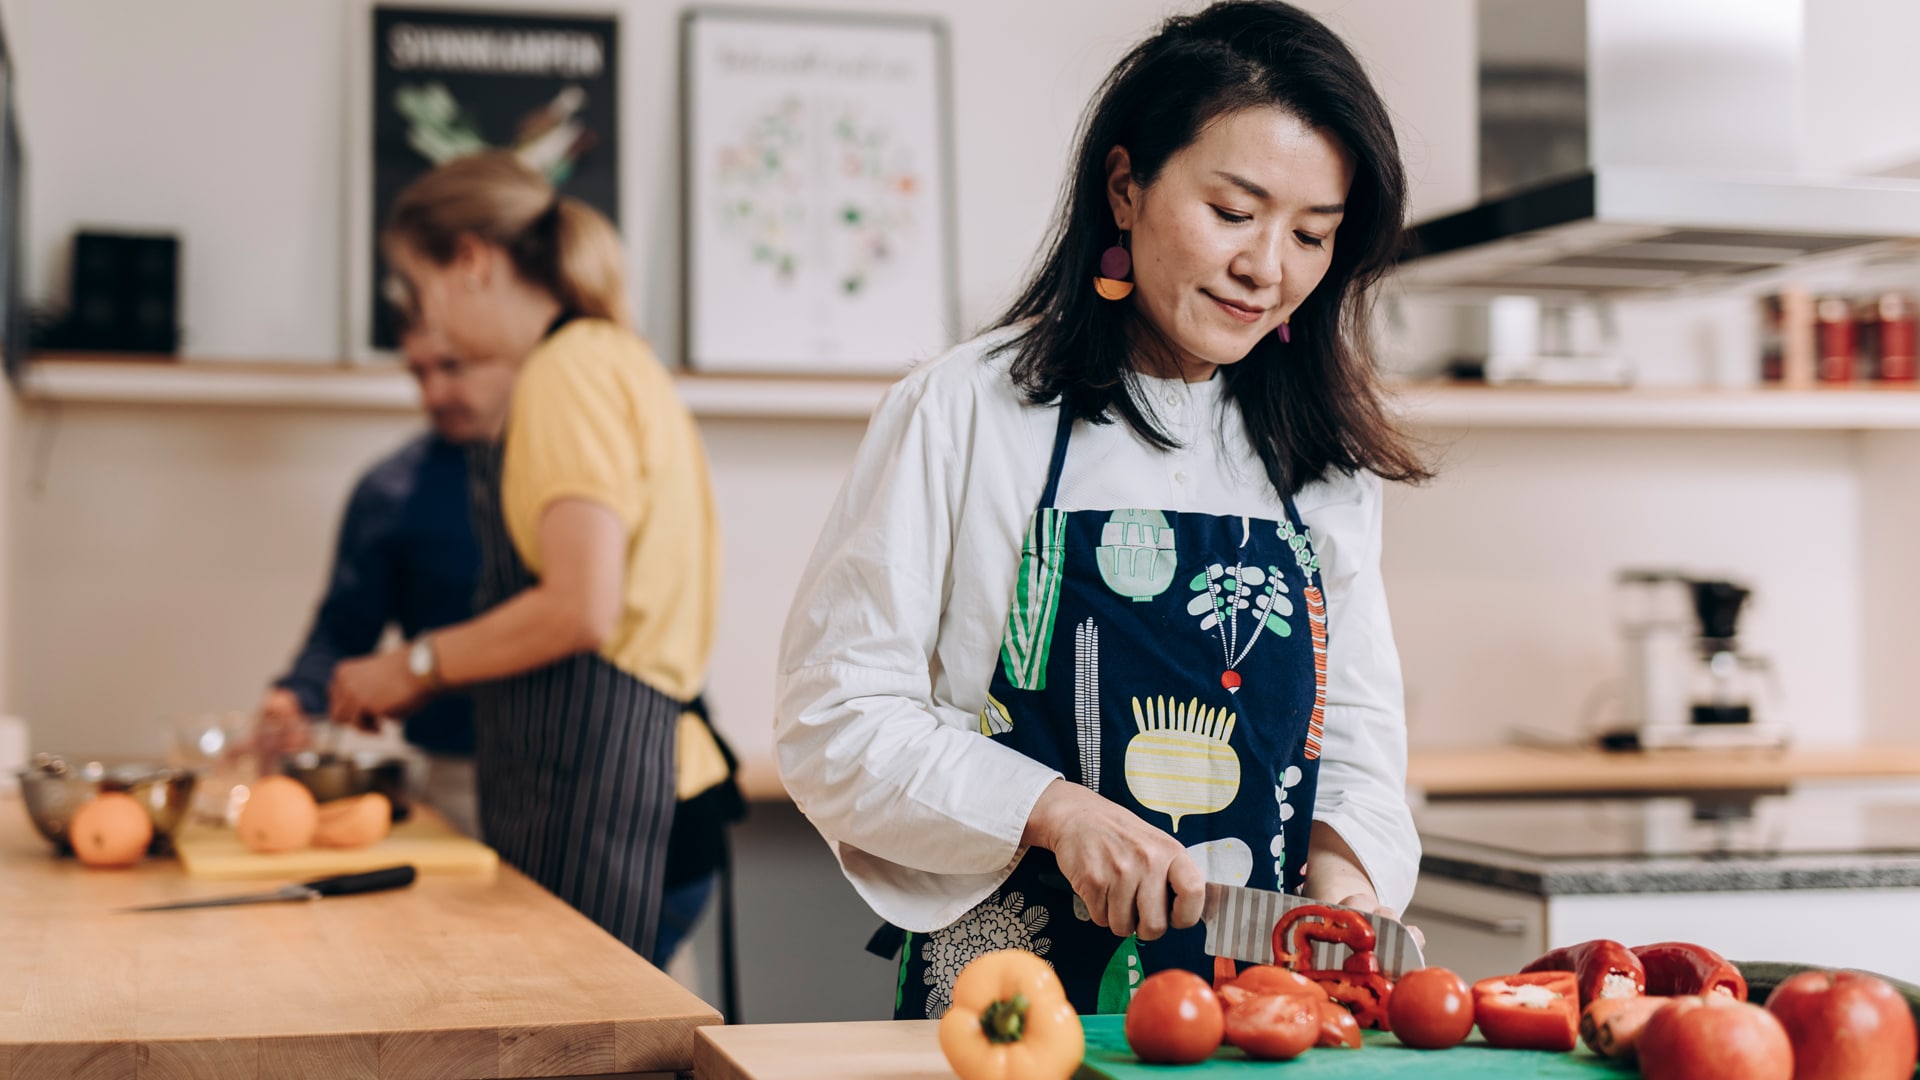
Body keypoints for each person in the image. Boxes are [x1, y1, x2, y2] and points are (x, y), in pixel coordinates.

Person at [775, 0, 1429, 1019]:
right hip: (1005, 1005)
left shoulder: (1322, 460)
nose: (1270, 268)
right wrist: (1052, 812)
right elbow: (836, 720)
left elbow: (1351, 741)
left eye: (1313, 235)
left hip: (1259, 1007)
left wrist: (1348, 880)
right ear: (1125, 187)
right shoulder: (968, 410)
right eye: (1234, 213)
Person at [328, 151, 739, 967]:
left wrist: (415, 663)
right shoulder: (617, 357)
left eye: (422, 288)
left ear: (471, 261)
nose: (432, 321)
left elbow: (580, 606)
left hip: (613, 798)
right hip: (655, 790)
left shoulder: (566, 371)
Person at [257, 321, 505, 836]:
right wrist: (296, 698)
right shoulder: (390, 491)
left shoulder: (568, 477)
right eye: (419, 373)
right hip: (455, 778)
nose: (434, 394)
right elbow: (344, 627)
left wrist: (420, 665)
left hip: (581, 776)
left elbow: (573, 613)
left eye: (453, 368)